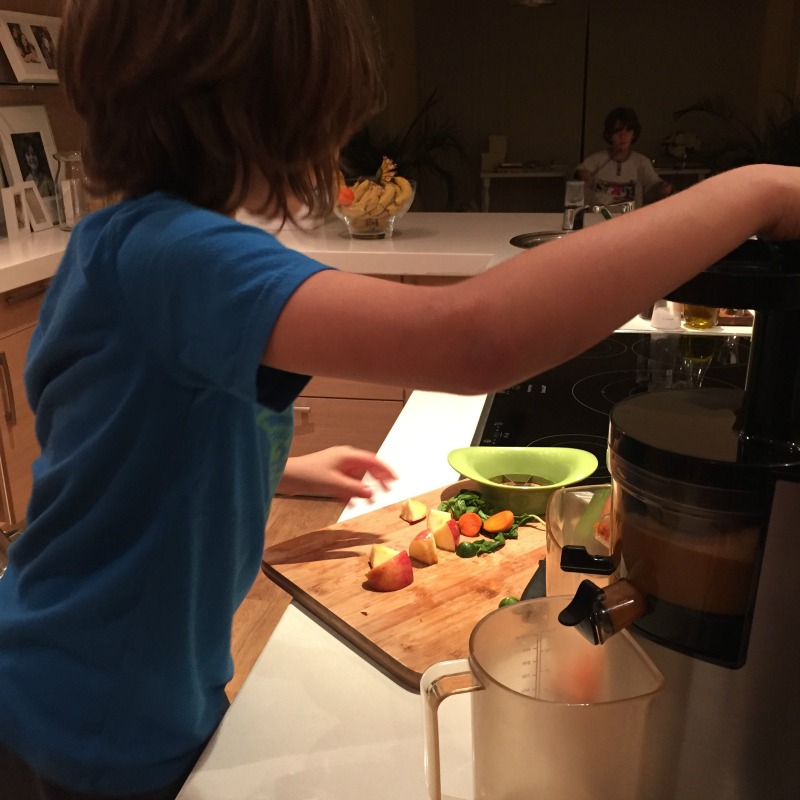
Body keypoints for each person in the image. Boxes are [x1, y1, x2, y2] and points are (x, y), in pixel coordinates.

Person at [2, 2, 800, 799]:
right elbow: (469, 339)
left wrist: (284, 464)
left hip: (80, 677)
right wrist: (754, 193)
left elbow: (121, 443)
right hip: (93, 717)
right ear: (273, 103)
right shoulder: (180, 253)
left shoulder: (120, 242)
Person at [576, 106, 672, 208]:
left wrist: (662, 189)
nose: (623, 136)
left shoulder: (641, 162)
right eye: (617, 131)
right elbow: (571, 178)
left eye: (628, 130)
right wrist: (579, 174)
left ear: (633, 134)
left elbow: (653, 184)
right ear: (610, 134)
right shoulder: (596, 160)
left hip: (631, 220)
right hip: (598, 219)